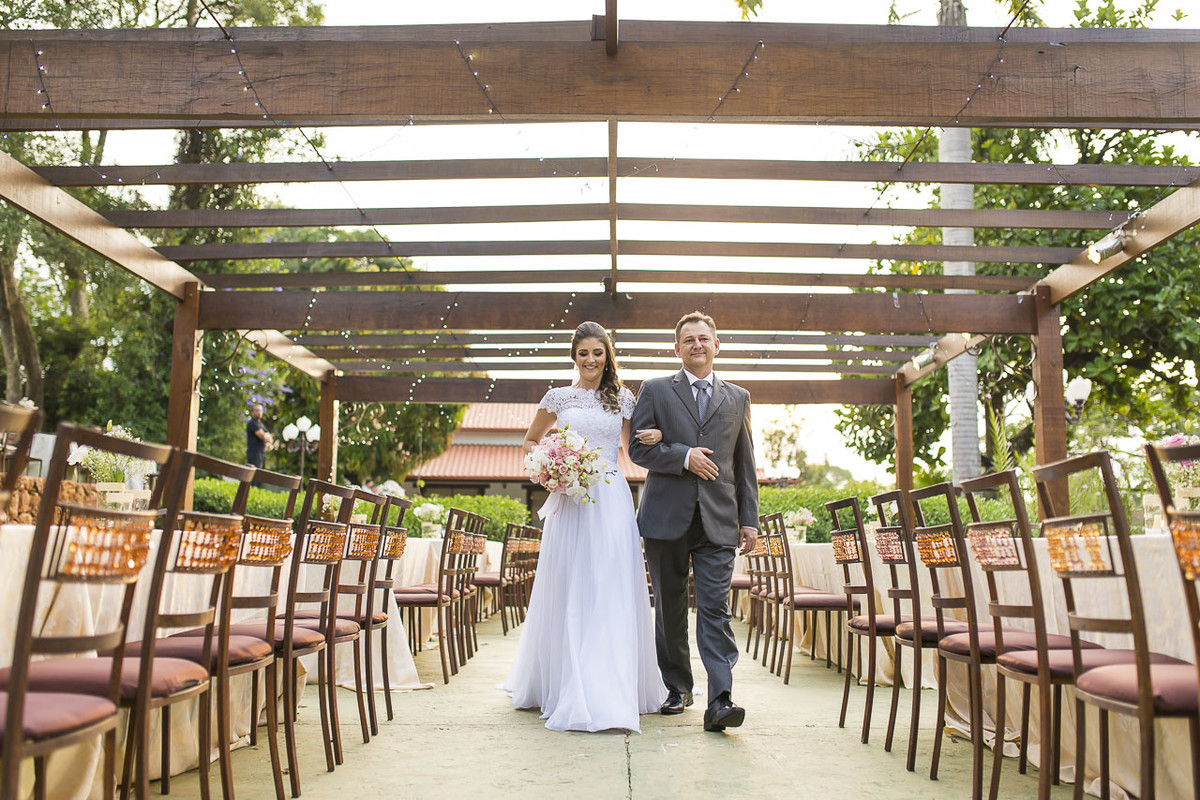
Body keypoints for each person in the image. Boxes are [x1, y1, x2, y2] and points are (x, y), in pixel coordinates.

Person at [504, 321, 668, 732]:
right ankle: (562, 681)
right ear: (573, 356)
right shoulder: (558, 397)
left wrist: (657, 435)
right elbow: (529, 441)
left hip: (610, 495)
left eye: (598, 353)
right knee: (570, 579)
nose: (591, 360)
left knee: (609, 581)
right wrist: (551, 464)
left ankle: (610, 683)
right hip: (570, 497)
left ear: (607, 355)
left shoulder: (624, 399)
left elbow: (633, 450)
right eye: (583, 353)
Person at [628, 311, 759, 733]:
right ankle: (678, 686)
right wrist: (683, 455)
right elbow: (638, 450)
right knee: (668, 607)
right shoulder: (654, 390)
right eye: (689, 340)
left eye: (704, 338)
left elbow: (744, 465)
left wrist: (749, 520)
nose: (697, 345)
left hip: (719, 520)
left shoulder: (738, 397)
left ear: (717, 345)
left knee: (715, 609)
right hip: (666, 517)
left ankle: (721, 698)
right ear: (677, 348)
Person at [245, 404, 273, 473]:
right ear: (252, 412)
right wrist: (266, 436)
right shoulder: (252, 423)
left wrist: (267, 436)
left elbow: (270, 439)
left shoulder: (261, 424)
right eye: (257, 411)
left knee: (260, 474)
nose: (259, 412)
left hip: (261, 454)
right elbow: (263, 437)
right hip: (254, 454)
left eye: (260, 410)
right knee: (254, 475)